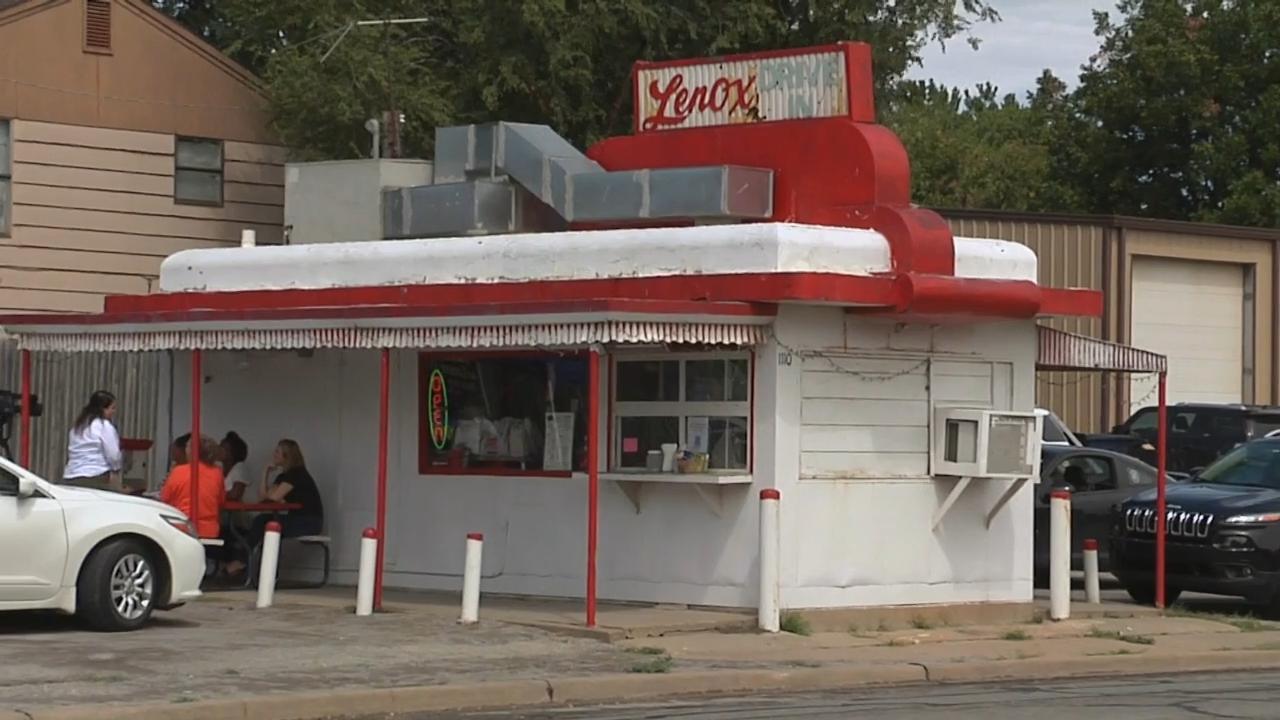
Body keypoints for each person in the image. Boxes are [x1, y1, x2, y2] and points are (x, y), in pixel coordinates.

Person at [224, 439, 324, 577]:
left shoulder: (297, 474)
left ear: (286, 456)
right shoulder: (284, 476)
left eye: (277, 452)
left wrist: (270, 495)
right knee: (263, 521)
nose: (274, 454)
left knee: (263, 522)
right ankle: (249, 564)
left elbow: (274, 498)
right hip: (296, 518)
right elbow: (264, 497)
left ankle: (243, 562)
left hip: (308, 521)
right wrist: (265, 472)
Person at [159, 435, 224, 539]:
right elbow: (220, 501)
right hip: (210, 531)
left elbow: (164, 499)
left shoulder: (178, 471)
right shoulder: (217, 473)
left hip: (183, 528)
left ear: (191, 451)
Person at [62, 390, 124, 491]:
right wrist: (116, 468)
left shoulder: (78, 427)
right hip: (95, 476)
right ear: (102, 409)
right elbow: (113, 454)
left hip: (72, 476)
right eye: (112, 408)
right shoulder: (104, 426)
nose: (114, 411)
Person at [221, 432, 251, 501]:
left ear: (232, 453)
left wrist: (213, 493)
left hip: (235, 511)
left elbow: (235, 495)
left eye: (223, 449)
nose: (218, 450)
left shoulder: (240, 467)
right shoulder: (219, 468)